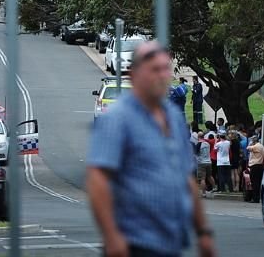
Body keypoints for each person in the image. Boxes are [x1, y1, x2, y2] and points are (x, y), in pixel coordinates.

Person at [86, 41, 215, 257]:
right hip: (133, 241)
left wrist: (203, 232)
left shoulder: (173, 117)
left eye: (166, 69)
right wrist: (111, 236)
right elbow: (97, 180)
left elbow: (186, 179)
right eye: (155, 69)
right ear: (134, 74)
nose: (163, 75)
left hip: (171, 242)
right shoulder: (117, 118)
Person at [195, 132, 215, 198]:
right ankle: (214, 188)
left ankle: (203, 193)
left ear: (198, 137)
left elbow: (196, 154)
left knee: (202, 179)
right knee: (209, 176)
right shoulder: (207, 143)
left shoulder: (198, 144)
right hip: (209, 161)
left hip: (201, 162)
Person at [247, 136, 264, 203]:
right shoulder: (261, 146)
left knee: (254, 183)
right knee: (258, 182)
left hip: (255, 165)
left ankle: (255, 198)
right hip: (260, 165)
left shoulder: (256, 146)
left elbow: (248, 148)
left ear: (254, 141)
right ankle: (257, 197)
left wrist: (250, 143)